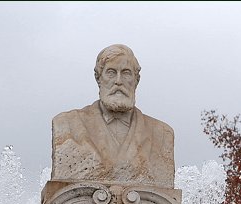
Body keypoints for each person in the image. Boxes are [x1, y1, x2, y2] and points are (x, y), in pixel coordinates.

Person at [50, 44, 175, 189]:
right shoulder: (67, 124)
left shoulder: (163, 134)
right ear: (98, 78)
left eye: (126, 73)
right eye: (111, 72)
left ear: (136, 80)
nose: (118, 81)